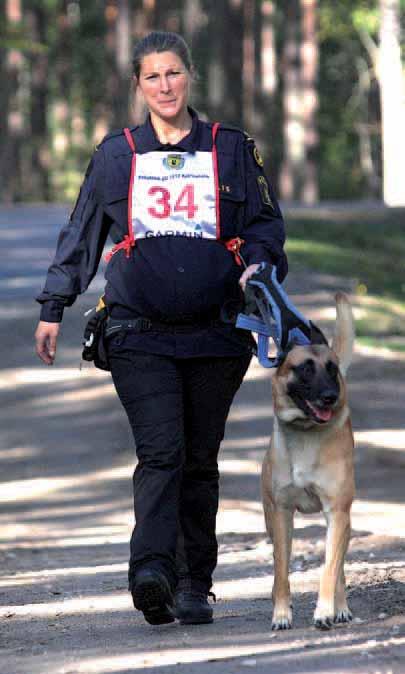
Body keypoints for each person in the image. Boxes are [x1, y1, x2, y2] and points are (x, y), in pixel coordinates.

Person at [35, 31, 287, 626]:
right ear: (138, 84)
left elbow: (266, 227)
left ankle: (196, 581)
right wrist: (54, 305)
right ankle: (152, 572)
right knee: (161, 452)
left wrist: (259, 261)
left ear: (190, 76)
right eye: (153, 76)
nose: (165, 86)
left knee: (199, 458)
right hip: (136, 332)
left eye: (174, 73)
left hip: (219, 333)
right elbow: (82, 234)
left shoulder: (231, 149)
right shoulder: (115, 154)